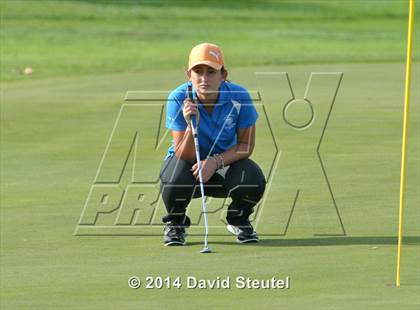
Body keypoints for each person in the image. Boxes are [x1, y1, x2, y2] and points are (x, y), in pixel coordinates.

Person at [160, 43, 266, 246]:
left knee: (253, 178)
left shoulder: (239, 96)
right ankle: (176, 223)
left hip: (225, 167)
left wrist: (215, 161)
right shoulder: (178, 98)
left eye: (211, 72)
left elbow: (246, 145)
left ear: (223, 74)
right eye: (197, 71)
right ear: (188, 74)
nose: (204, 78)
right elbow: (183, 153)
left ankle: (238, 219)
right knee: (172, 177)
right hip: (187, 168)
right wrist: (192, 127)